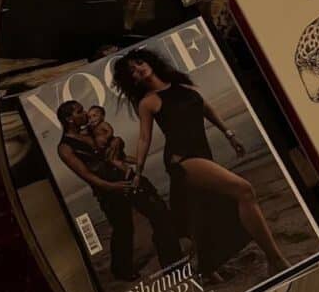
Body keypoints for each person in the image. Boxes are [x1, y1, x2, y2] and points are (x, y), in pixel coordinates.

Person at [112, 48, 289, 278]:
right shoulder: (148, 102)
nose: (138, 69)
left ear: (150, 61)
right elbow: (145, 138)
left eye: (138, 63)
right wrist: (138, 172)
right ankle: (275, 259)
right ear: (133, 81)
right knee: (244, 190)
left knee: (203, 212)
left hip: (203, 153)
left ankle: (207, 269)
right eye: (132, 72)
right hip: (181, 159)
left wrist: (229, 134)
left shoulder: (183, 86)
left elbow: (206, 109)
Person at [56, 100, 182, 281]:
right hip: (107, 190)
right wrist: (110, 187)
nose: (85, 113)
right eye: (79, 111)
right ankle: (121, 269)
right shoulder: (65, 147)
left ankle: (173, 263)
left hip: (128, 177)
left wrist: (117, 140)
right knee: (123, 229)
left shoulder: (91, 129)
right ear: (69, 119)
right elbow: (85, 174)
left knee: (159, 211)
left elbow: (111, 139)